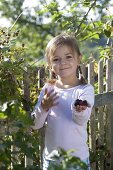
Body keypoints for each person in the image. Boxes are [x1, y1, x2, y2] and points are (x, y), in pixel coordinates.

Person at [31, 33, 95, 170]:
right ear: (50, 65)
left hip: (77, 161)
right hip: (51, 161)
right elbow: (35, 125)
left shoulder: (85, 90)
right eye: (56, 59)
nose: (63, 62)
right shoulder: (48, 89)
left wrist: (79, 109)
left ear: (79, 59)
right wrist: (43, 107)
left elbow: (81, 120)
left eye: (68, 57)